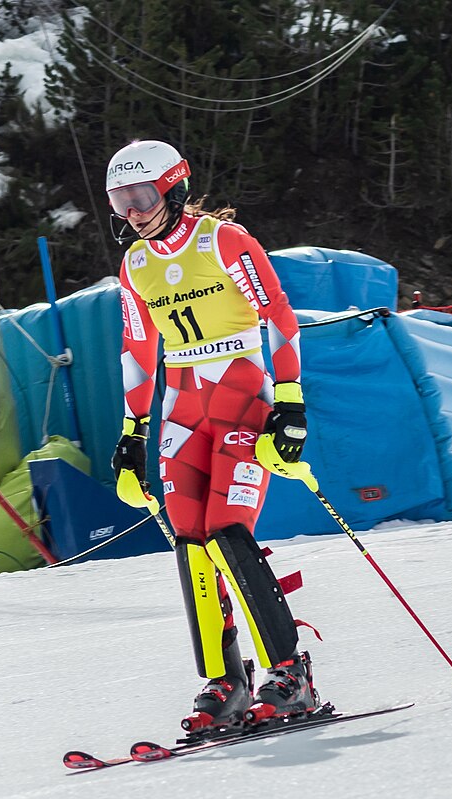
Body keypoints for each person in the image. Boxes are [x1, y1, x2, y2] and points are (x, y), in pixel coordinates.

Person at [105, 138, 322, 732]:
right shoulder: (135, 267)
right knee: (190, 540)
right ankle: (224, 681)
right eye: (119, 200)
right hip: (180, 409)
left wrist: (291, 403)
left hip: (240, 396)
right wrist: (132, 432)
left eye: (141, 196)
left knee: (228, 531)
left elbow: (278, 317)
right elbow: (137, 351)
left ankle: (289, 673)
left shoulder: (224, 242)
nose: (132, 211)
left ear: (173, 187)